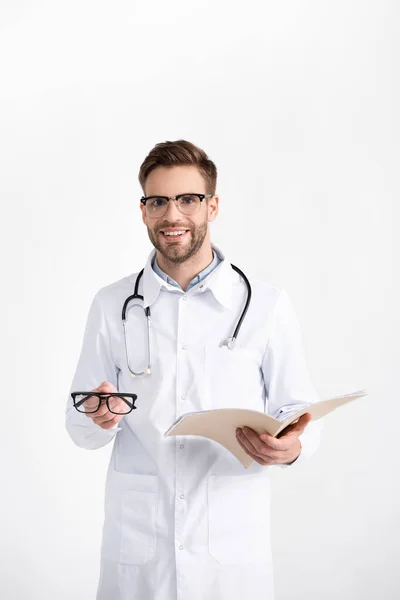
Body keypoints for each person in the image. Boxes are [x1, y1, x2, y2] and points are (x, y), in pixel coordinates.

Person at [65, 139, 322, 600]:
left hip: (230, 546)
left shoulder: (264, 306)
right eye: (158, 201)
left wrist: (291, 447)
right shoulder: (112, 305)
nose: (172, 215)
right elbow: (80, 426)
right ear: (143, 210)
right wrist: (98, 416)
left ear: (212, 206)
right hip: (140, 546)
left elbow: (300, 410)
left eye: (188, 199)